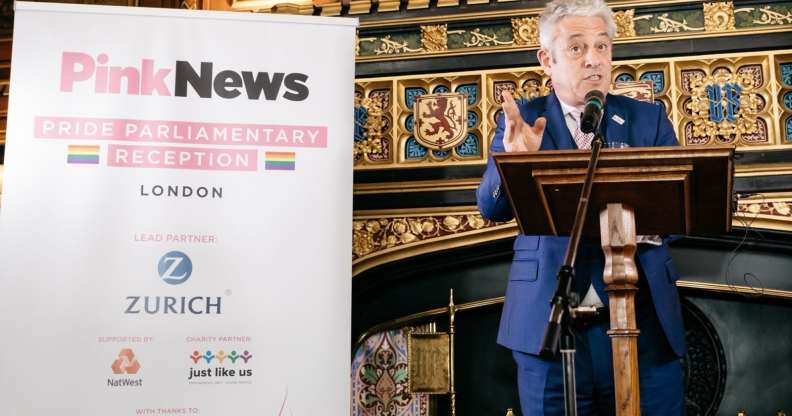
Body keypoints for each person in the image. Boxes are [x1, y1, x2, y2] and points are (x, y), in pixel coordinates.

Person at [476, 0, 686, 414]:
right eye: (577, 48)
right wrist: (513, 164)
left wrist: (638, 224)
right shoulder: (524, 120)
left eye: (602, 46)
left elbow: (682, 209)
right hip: (549, 324)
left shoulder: (648, 119)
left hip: (643, 324)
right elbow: (491, 208)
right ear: (547, 59)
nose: (594, 59)